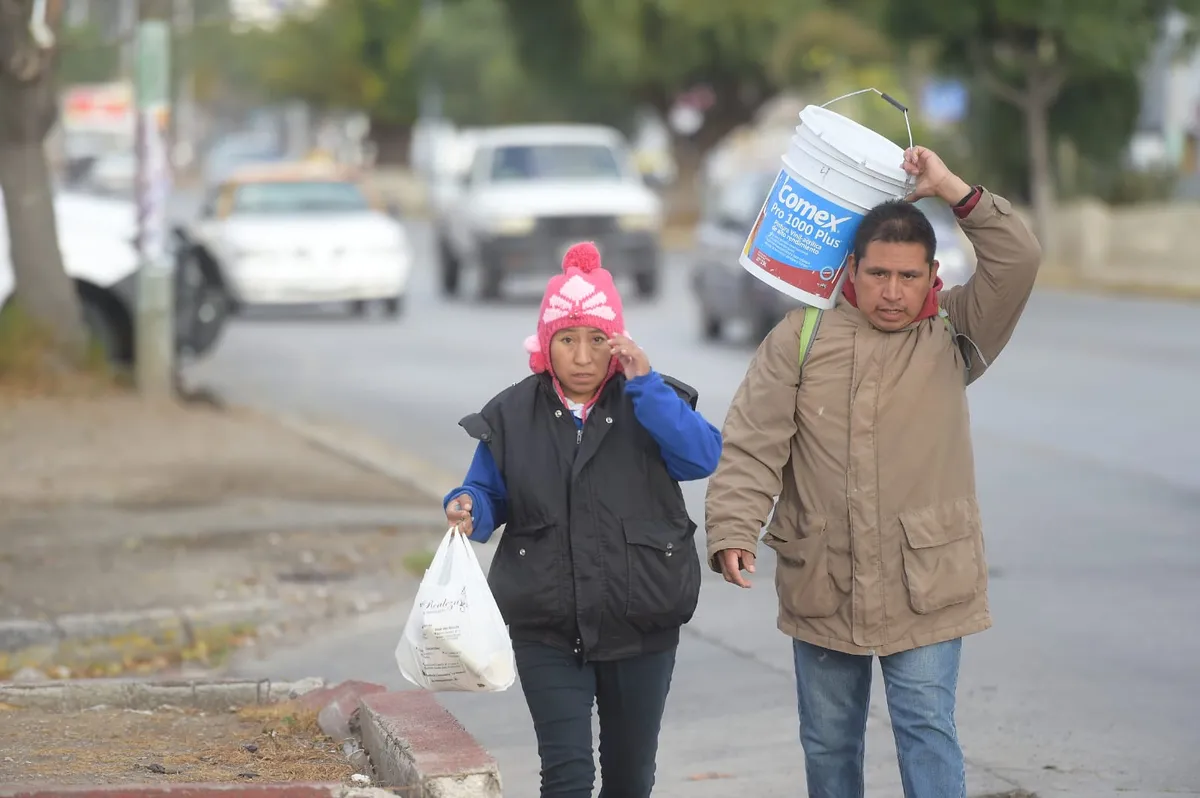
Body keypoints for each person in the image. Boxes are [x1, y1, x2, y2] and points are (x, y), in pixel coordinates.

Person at [704, 146, 1042, 798]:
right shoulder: (802, 337)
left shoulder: (955, 333)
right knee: (829, 743)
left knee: (926, 731)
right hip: (823, 579)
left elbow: (1019, 259)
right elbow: (753, 442)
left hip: (927, 582)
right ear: (851, 270)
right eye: (879, 274)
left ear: (932, 276)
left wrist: (949, 187)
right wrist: (733, 529)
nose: (893, 291)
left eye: (908, 276)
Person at [445, 241, 723, 798]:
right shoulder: (511, 413)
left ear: (617, 343)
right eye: (566, 340)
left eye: (597, 340)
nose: (580, 355)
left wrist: (646, 383)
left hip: (641, 618)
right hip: (546, 625)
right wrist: (469, 507)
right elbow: (488, 488)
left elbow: (701, 456)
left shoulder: (651, 399)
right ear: (545, 344)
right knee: (566, 775)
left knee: (629, 777)